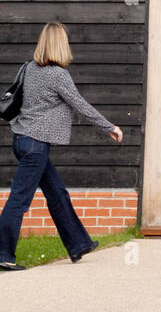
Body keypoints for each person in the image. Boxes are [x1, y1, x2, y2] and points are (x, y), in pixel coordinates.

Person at [0, 22, 123, 271]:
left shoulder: (28, 68)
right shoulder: (58, 75)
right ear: (61, 45)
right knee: (19, 201)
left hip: (23, 141)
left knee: (57, 194)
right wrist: (109, 127)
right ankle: (3, 255)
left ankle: (78, 245)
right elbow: (81, 105)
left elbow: (15, 100)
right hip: (35, 146)